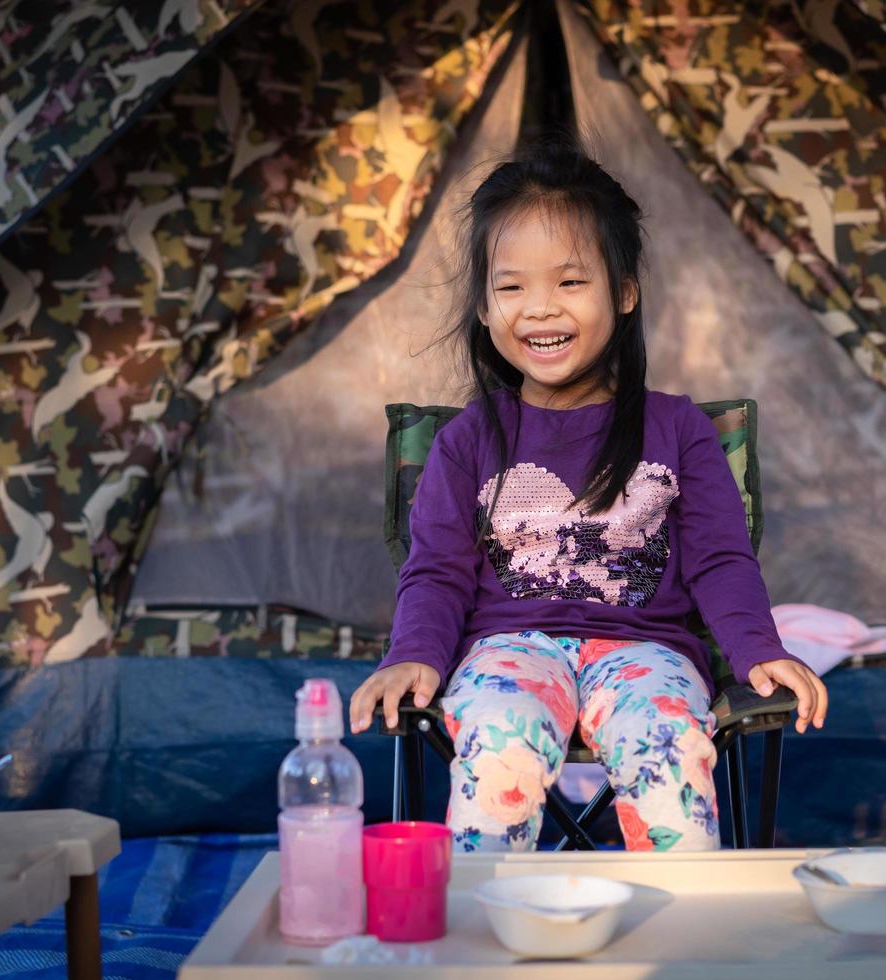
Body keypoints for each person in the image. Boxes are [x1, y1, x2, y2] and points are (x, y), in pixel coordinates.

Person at [349, 137, 828, 852]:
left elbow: (721, 559)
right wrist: (412, 653)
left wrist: (758, 648)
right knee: (500, 739)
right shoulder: (468, 441)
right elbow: (438, 571)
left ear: (624, 291)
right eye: (511, 287)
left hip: (647, 651)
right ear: (483, 306)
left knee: (670, 747)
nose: (539, 309)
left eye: (570, 282)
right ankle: (487, 942)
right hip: (506, 647)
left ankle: (683, 943)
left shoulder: (679, 429)